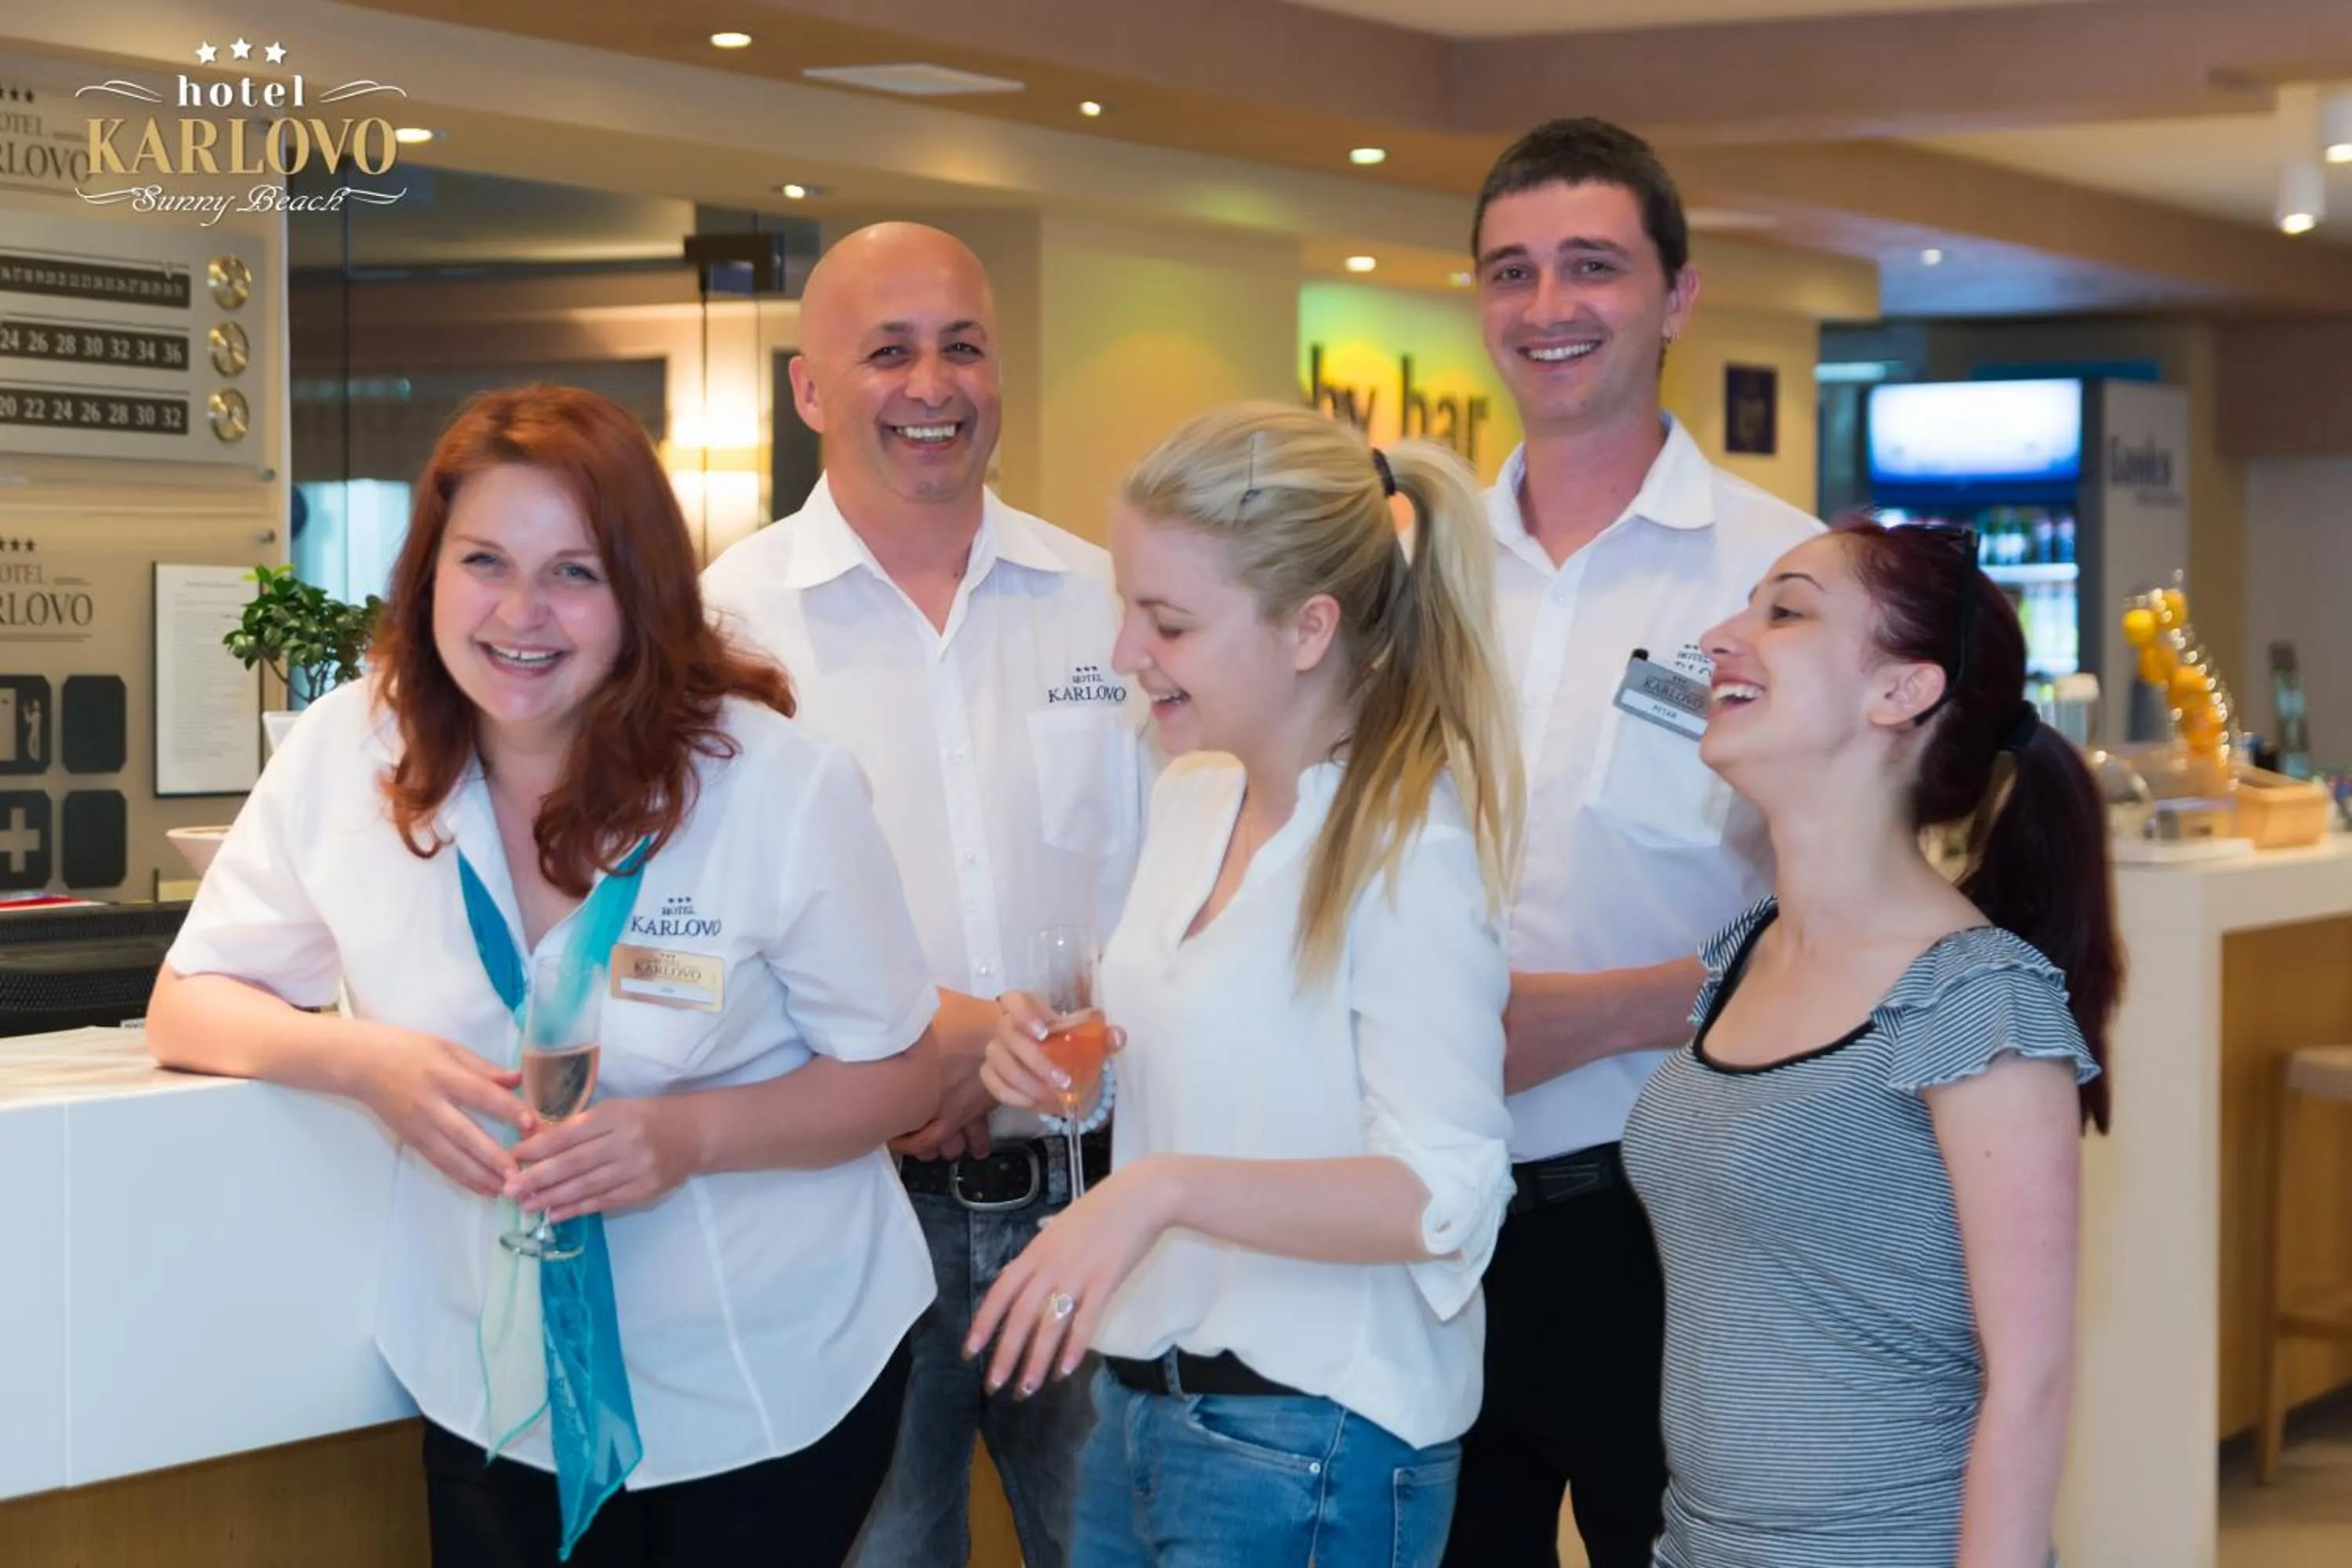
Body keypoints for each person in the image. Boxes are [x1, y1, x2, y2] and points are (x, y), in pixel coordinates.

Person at [147, 384, 944, 1567]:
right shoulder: (351, 750)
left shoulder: (775, 787)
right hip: (491, 1380)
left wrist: (687, 1138)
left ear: (643, 593)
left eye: (575, 572)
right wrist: (373, 1063)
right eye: (484, 562)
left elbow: (902, 1076)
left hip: (765, 1375)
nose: (522, 613)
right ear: (429, 576)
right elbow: (192, 1001)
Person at [967, 404, 1523, 1567]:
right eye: (1128, 609)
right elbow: (1211, 1088)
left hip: (1314, 1439)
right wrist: (1071, 1069)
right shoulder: (1190, 801)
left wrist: (1161, 1191)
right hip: (1140, 1409)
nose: (1125, 653)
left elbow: (1442, 1198)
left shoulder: (1406, 850)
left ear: (1309, 628)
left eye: (1167, 621)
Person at [700, 222, 1145, 1568]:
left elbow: (1182, 883)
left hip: (1092, 1203)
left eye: (962, 346)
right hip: (848, 1219)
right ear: (810, 391)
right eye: (886, 352)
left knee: (1129, 1549)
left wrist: (1037, 1058)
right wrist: (933, 1053)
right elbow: (712, 933)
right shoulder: (724, 627)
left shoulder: (1111, 602)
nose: (932, 385)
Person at [1441, 118, 1826, 1568]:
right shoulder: (1411, 569)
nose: (1548, 310)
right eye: (1512, 272)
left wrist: (1582, 1019)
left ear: (1677, 295)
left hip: (1674, 1214)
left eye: (1591, 268)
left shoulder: (1780, 578)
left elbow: (1855, 927)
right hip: (1432, 1206)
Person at [1621, 516, 2119, 1566]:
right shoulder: (1742, 960)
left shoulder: (1978, 1000)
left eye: (1784, 612)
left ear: (1903, 691)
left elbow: (2029, 1388)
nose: (1718, 637)